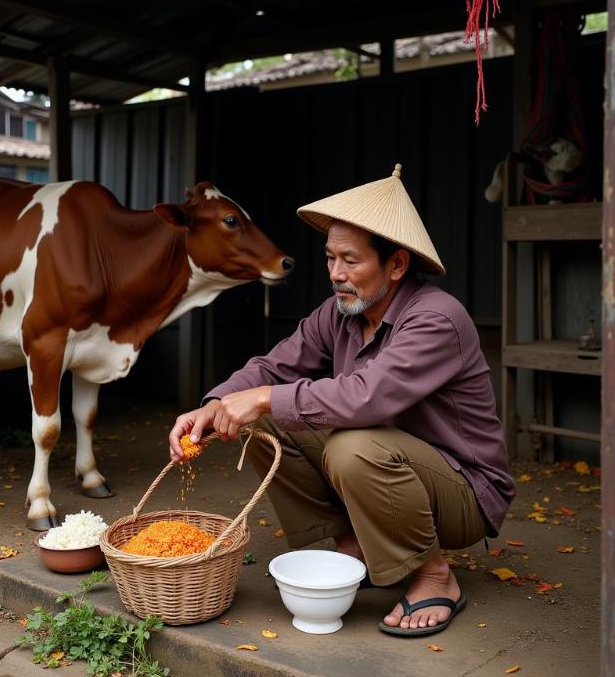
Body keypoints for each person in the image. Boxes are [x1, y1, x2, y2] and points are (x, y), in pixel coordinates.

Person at [169, 164, 515, 638]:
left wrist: (263, 397)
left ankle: (434, 574)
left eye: (351, 260)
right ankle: (355, 548)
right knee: (265, 421)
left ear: (396, 264)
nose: (335, 274)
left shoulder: (437, 318)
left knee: (350, 444)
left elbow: (366, 398)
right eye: (330, 258)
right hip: (390, 466)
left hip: (461, 491)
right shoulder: (340, 313)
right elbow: (276, 366)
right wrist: (215, 402)